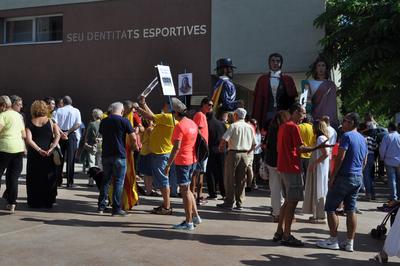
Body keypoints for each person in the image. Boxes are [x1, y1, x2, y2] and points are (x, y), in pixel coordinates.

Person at [273, 103, 327, 246]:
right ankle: (286, 235)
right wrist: (318, 147)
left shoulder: (284, 126)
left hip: (284, 167)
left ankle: (280, 232)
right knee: (292, 202)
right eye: (303, 113)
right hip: (291, 168)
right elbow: (301, 148)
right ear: (296, 112)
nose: (304, 116)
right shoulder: (293, 127)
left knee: (288, 201)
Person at [317, 112, 367, 252]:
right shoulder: (362, 139)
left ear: (351, 122)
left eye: (345, 120)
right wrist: (358, 173)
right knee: (351, 209)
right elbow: (365, 161)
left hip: (344, 177)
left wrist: (333, 176)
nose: (342, 123)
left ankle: (333, 240)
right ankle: (350, 243)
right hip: (357, 177)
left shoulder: (346, 136)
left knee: (330, 208)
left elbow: (340, 157)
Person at [165, 98, 201, 230]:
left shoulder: (179, 126)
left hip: (183, 161)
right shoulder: (192, 123)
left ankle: (189, 221)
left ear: (175, 113)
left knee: (185, 192)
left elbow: (176, 147)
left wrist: (168, 165)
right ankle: (195, 217)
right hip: (192, 160)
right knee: (188, 190)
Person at [136, 96, 176, 215]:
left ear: (169, 107)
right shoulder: (167, 118)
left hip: (161, 154)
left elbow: (150, 116)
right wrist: (144, 104)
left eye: (165, 104)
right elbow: (152, 115)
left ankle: (167, 207)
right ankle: (165, 205)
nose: (163, 106)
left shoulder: (168, 117)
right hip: (161, 153)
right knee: (163, 180)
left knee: (163, 181)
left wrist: (137, 108)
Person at [98, 102, 138, 216]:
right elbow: (133, 137)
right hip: (120, 154)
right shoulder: (124, 121)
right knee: (118, 182)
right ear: (121, 110)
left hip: (106, 154)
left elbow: (101, 134)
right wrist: (133, 147)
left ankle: (101, 206)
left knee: (105, 181)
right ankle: (116, 209)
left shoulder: (104, 121)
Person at [217, 108, 256, 210]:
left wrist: (221, 147)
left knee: (229, 178)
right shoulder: (250, 127)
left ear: (236, 115)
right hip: (245, 154)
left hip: (233, 153)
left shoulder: (234, 126)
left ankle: (229, 202)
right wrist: (247, 152)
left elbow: (224, 139)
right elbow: (254, 144)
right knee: (241, 179)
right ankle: (240, 202)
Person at [25, 100, 60, 208]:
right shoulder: (51, 121)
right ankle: (48, 201)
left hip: (34, 154)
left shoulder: (30, 122)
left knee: (34, 177)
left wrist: (39, 150)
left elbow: (29, 140)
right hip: (48, 153)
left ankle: (35, 202)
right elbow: (58, 135)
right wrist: (52, 148)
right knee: (48, 177)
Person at [252, 53, 298, 130]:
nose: (275, 63)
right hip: (267, 112)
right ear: (269, 63)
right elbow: (257, 101)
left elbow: (292, 100)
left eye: (278, 61)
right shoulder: (262, 79)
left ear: (281, 63)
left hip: (283, 113)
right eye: (273, 61)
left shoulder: (288, 79)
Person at [0, 95, 26, 213]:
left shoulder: (3, 115)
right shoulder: (18, 116)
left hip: (4, 148)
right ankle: (12, 203)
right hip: (18, 148)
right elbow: (24, 135)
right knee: (13, 177)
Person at [302, 120, 330, 223]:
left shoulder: (320, 138)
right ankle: (318, 214)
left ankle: (320, 216)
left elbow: (325, 153)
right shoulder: (323, 138)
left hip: (319, 168)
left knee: (318, 190)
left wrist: (314, 163)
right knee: (319, 190)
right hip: (320, 168)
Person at [264, 111, 290, 222]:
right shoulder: (281, 129)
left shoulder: (272, 128)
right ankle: (279, 213)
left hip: (271, 161)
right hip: (279, 162)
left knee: (274, 188)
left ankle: (276, 212)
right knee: (280, 189)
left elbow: (267, 144)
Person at [52, 95, 82, 187]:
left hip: (59, 135)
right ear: (71, 102)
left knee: (59, 159)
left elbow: (54, 123)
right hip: (71, 135)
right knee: (71, 159)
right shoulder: (76, 111)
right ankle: (70, 182)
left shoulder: (58, 111)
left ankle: (58, 181)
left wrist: (62, 133)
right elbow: (78, 124)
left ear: (63, 102)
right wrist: (68, 133)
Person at [191, 97, 212, 205]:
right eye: (209, 104)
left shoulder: (203, 115)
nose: (211, 107)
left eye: (211, 105)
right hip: (201, 149)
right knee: (198, 173)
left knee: (199, 173)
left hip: (202, 149)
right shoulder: (200, 115)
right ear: (203, 104)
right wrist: (203, 143)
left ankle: (197, 196)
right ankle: (195, 196)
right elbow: (197, 129)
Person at [307, 57, 339, 128]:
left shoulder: (331, 84)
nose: (321, 68)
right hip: (317, 118)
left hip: (331, 119)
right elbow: (308, 102)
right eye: (319, 66)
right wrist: (308, 116)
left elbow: (334, 104)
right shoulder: (311, 83)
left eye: (323, 65)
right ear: (315, 69)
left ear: (326, 68)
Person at [205, 111, 227, 199]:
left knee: (210, 172)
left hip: (211, 150)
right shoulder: (222, 124)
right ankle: (224, 192)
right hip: (222, 150)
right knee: (222, 172)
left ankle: (213, 193)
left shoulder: (207, 124)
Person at [379, 122, 400, 204]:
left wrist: (382, 158)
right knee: (398, 180)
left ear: (390, 128)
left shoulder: (387, 136)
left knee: (392, 180)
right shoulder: (399, 136)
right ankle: (398, 196)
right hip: (399, 162)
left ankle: (393, 197)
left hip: (389, 161)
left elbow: (382, 149)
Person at [84, 108, 103, 186]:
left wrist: (85, 142)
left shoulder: (91, 124)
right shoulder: (103, 123)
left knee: (91, 163)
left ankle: (91, 181)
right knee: (100, 163)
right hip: (101, 145)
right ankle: (102, 179)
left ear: (94, 115)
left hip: (92, 145)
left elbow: (87, 135)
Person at [359, 123, 378, 200]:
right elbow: (376, 147)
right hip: (372, 156)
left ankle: (368, 194)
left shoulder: (362, 138)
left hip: (366, 156)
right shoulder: (371, 139)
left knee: (366, 176)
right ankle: (373, 193)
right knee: (370, 176)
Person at [298, 114, 316, 185]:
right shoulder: (313, 128)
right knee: (308, 176)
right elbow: (315, 142)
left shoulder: (298, 127)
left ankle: (300, 191)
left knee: (300, 175)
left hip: (299, 154)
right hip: (310, 155)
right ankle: (307, 191)